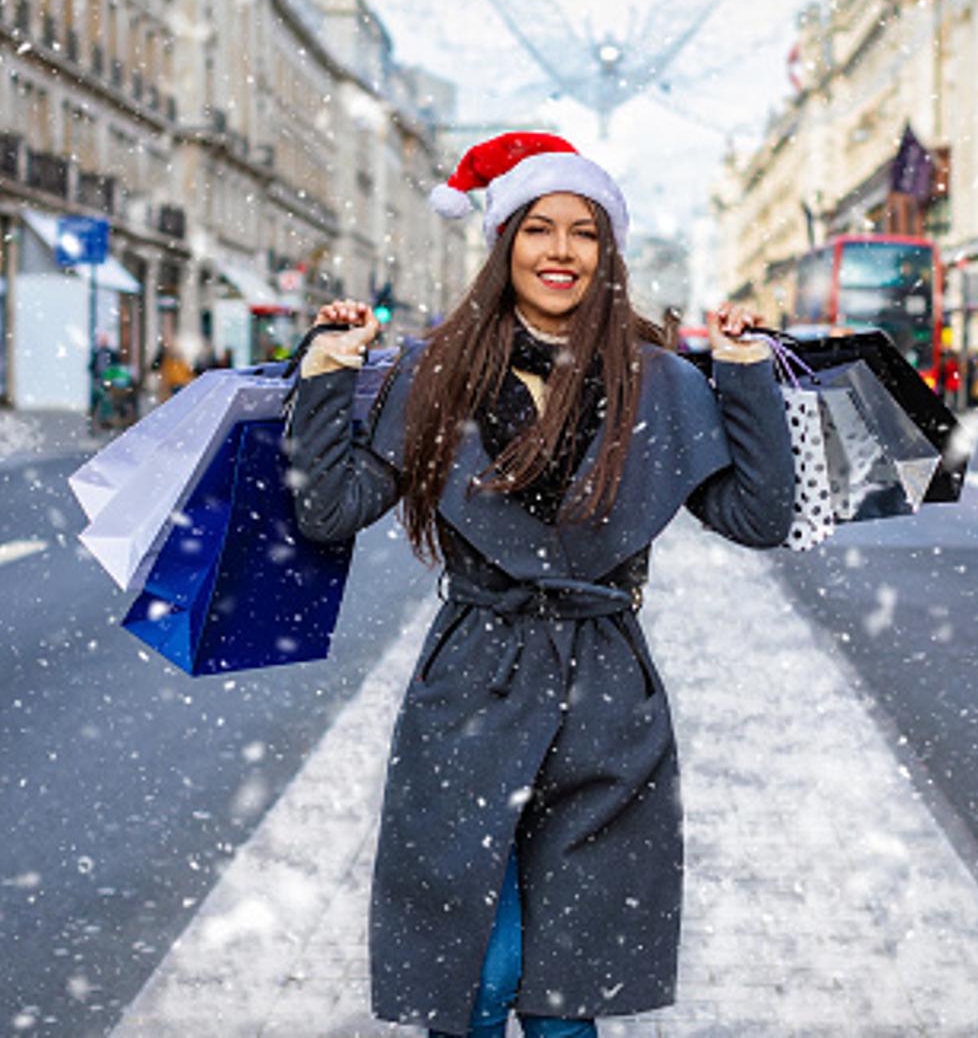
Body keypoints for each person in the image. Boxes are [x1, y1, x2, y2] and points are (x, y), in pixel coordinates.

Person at [286, 132, 794, 1038]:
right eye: (539, 229)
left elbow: (759, 515)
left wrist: (746, 373)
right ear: (504, 243)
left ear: (609, 254)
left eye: (584, 232)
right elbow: (328, 510)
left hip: (608, 691)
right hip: (471, 681)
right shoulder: (433, 374)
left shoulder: (664, 381)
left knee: (567, 992)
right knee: (479, 975)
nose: (562, 251)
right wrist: (328, 368)